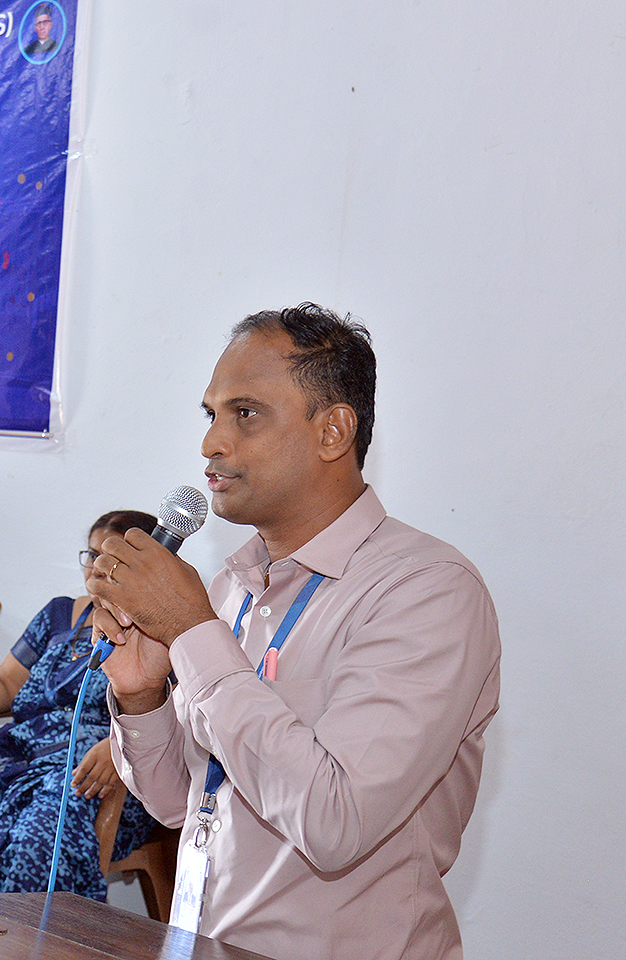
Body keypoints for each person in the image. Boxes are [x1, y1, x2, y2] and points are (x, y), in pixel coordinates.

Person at [88, 304, 501, 960]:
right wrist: (144, 697)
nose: (211, 443)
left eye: (245, 414)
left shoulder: (426, 591)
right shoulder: (231, 588)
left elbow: (335, 822)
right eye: (210, 415)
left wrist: (194, 631)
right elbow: (181, 804)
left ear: (333, 430)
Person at [0, 511, 160, 902]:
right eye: (91, 555)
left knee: (33, 842)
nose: (96, 567)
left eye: (110, 558)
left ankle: (24, 935)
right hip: (21, 758)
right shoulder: (60, 614)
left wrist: (124, 746)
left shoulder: (163, 630)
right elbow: (7, 681)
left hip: (97, 777)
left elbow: (180, 713)